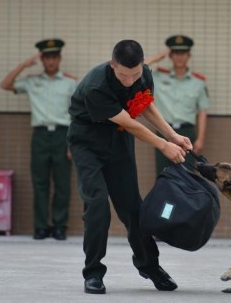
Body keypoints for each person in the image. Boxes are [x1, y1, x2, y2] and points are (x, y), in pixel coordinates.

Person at [67, 39, 192, 294]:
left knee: (134, 208)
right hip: (87, 142)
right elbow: (131, 123)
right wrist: (162, 145)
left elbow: (143, 106)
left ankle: (150, 266)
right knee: (97, 204)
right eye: (124, 75)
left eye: (135, 74)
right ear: (112, 65)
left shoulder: (142, 74)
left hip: (119, 141)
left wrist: (173, 135)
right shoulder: (96, 86)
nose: (129, 80)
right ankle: (93, 273)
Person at [0, 39, 77, 241]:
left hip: (63, 135)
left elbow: (78, 114)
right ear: (42, 59)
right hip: (40, 135)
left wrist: (73, 142)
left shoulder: (70, 83)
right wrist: (23, 66)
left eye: (54, 57)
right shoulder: (32, 81)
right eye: (47, 57)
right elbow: (5, 85)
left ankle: (59, 226)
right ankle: (41, 227)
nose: (51, 61)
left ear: (59, 58)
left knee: (62, 184)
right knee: (40, 183)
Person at [144, 35, 210, 175]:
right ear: (170, 55)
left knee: (186, 177)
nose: (179, 57)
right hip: (164, 132)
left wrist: (201, 138)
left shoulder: (198, 82)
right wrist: (158, 57)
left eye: (183, 53)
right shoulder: (158, 76)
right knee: (163, 175)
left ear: (189, 55)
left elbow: (202, 111)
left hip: (187, 132)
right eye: (175, 53)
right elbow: (138, 69)